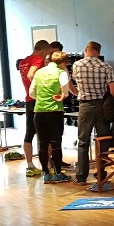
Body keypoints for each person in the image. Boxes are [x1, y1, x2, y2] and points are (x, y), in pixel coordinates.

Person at [70, 42, 114, 186]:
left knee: (83, 141)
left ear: (86, 50)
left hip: (85, 105)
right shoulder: (106, 66)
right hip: (102, 106)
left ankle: (81, 177)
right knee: (103, 140)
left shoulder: (77, 65)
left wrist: (80, 94)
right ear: (99, 52)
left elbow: (72, 84)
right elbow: (113, 90)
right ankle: (101, 173)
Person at [29, 51, 72, 183]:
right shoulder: (61, 73)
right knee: (56, 144)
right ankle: (58, 173)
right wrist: (62, 96)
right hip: (55, 111)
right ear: (63, 63)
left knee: (42, 144)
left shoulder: (39, 72)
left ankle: (46, 174)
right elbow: (65, 90)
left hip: (39, 112)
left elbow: (31, 93)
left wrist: (42, 98)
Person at [17, 39, 51, 176]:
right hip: (38, 100)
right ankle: (48, 166)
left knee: (29, 133)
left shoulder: (23, 62)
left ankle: (30, 165)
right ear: (43, 51)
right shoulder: (38, 59)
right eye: (47, 53)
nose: (46, 56)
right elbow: (31, 75)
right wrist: (42, 87)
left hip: (28, 100)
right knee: (46, 135)